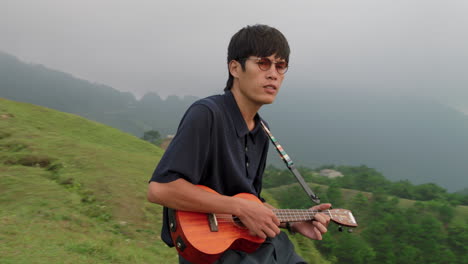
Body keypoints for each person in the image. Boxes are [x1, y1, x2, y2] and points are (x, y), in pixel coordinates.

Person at [147, 24, 331, 264]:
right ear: (235, 67)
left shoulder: (262, 131)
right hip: (218, 253)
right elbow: (160, 189)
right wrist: (239, 208)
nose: (273, 74)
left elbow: (250, 201)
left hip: (267, 248)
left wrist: (292, 221)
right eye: (263, 63)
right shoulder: (207, 114)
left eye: (281, 66)